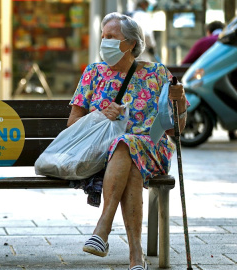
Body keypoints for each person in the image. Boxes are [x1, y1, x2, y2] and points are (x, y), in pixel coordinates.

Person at [67, 13, 188, 270]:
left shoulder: (157, 73)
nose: (104, 42)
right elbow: (72, 126)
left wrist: (178, 100)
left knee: (127, 144)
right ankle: (136, 256)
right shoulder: (93, 73)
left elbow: (177, 128)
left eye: (111, 37)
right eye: (103, 37)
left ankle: (103, 229)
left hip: (154, 148)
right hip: (105, 154)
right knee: (129, 153)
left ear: (131, 43)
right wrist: (101, 115)